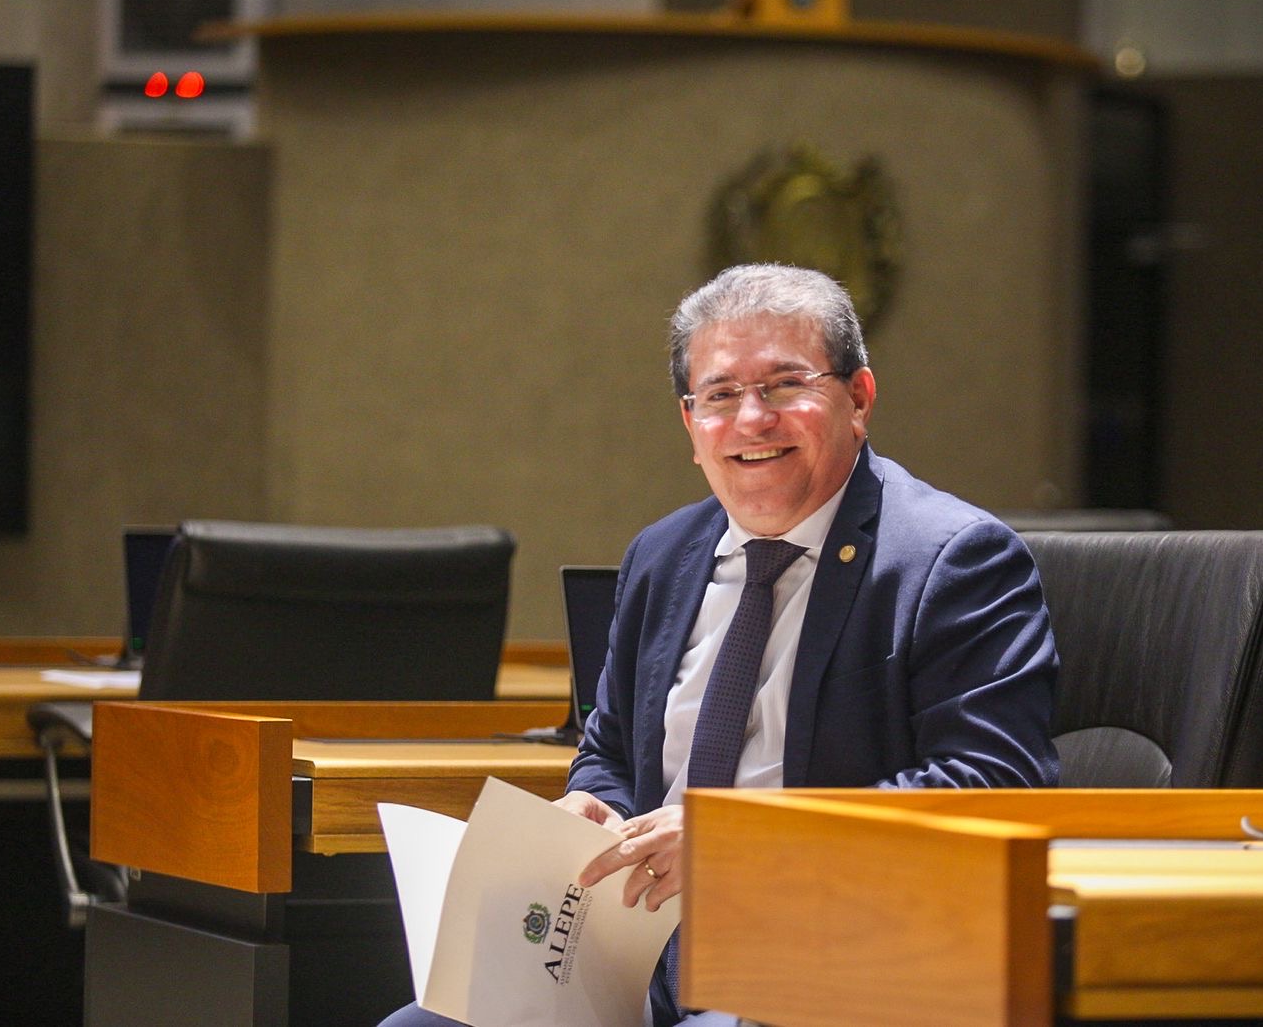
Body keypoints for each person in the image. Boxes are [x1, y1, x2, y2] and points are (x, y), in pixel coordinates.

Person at [379, 264, 1059, 1027]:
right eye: (721, 394)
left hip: (827, 971)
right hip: (633, 963)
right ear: (690, 424)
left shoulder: (952, 560)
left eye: (785, 385)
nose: (752, 419)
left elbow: (992, 788)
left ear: (860, 399)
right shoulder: (661, 555)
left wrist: (738, 843)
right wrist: (593, 808)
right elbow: (610, 752)